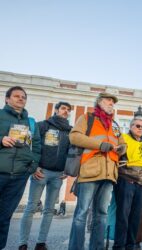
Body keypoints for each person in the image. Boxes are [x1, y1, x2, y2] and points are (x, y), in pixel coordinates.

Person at [68, 92, 125, 250]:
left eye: (113, 102)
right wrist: (99, 145)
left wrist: (122, 148)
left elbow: (122, 142)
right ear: (99, 102)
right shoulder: (87, 118)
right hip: (90, 171)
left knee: (101, 214)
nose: (111, 103)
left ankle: (97, 247)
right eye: (108, 100)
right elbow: (74, 137)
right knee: (81, 213)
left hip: (109, 174)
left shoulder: (115, 124)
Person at [19, 101, 72, 250]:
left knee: (49, 210)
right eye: (63, 108)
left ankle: (41, 243)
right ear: (56, 110)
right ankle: (22, 243)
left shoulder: (70, 130)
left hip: (58, 175)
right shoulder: (43, 125)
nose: (66, 111)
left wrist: (67, 170)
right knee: (31, 207)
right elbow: (29, 145)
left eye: (68, 110)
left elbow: (72, 153)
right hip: (41, 172)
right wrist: (33, 166)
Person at [0, 86, 41, 250]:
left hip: (19, 176)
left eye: (23, 97)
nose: (20, 99)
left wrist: (31, 167)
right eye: (16, 96)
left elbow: (37, 147)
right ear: (7, 99)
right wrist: (1, 139)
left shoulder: (31, 122)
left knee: (4, 217)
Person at [113, 114, 142, 250]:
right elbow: (118, 152)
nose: (140, 129)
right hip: (126, 179)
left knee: (136, 217)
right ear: (131, 126)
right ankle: (119, 245)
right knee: (123, 215)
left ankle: (131, 245)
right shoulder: (124, 137)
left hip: (140, 183)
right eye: (137, 126)